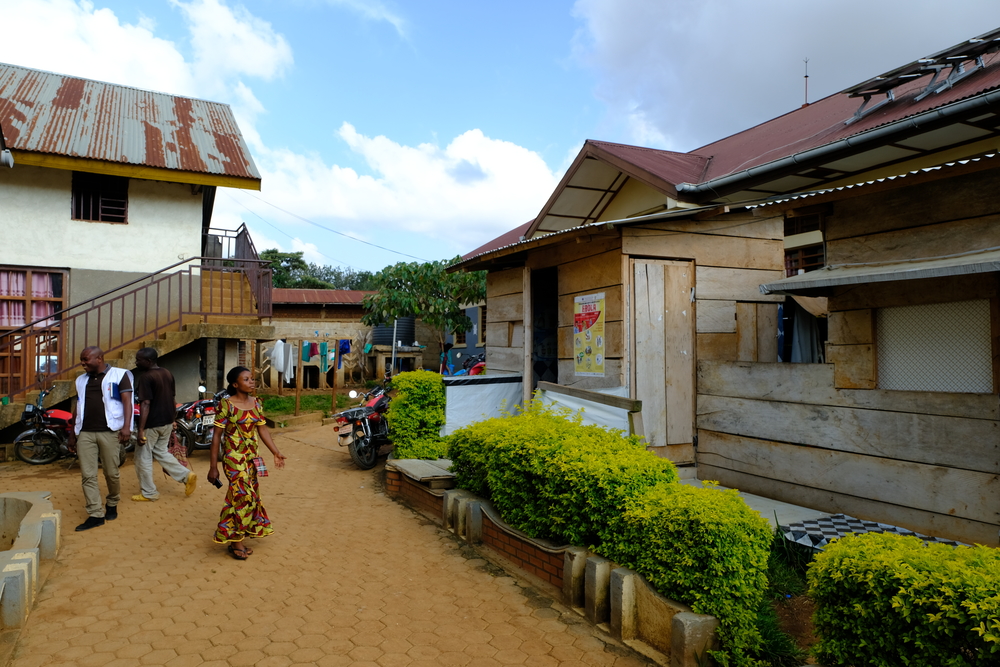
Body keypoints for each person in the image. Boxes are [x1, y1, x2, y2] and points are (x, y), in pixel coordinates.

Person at [208, 366, 286, 560]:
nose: (251, 382)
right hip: (233, 458)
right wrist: (213, 467)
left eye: (252, 378)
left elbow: (263, 430)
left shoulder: (257, 403)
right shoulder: (226, 405)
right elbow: (216, 437)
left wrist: (276, 452)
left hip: (252, 458)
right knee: (242, 496)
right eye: (246, 379)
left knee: (250, 496)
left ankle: (239, 534)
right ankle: (236, 542)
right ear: (235, 384)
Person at [67, 346, 132, 531]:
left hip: (109, 431)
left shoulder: (120, 375)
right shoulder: (80, 380)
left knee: (111, 472)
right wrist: (72, 434)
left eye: (86, 359)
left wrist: (127, 427)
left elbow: (127, 401)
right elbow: (78, 406)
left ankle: (112, 502)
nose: (83, 363)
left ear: (100, 358)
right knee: (88, 475)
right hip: (85, 432)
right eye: (82, 359)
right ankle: (95, 514)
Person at [132, 347, 197, 501]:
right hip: (166, 422)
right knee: (160, 451)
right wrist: (173, 419)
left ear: (148, 361)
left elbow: (145, 404)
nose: (136, 362)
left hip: (152, 424)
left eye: (138, 359)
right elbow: (171, 398)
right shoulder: (166, 373)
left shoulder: (146, 377)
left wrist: (141, 430)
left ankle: (149, 493)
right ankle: (186, 475)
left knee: (142, 457)